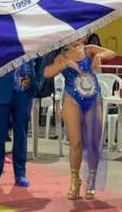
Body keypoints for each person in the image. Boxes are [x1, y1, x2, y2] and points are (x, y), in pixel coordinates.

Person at [43, 38, 115, 199]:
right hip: (72, 98)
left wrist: (99, 56)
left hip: (93, 97)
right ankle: (75, 180)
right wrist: (62, 65)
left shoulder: (88, 49)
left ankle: (92, 178)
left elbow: (112, 53)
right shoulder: (61, 54)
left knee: (93, 141)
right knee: (75, 142)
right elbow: (46, 73)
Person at [0, 59, 43, 189]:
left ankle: (20, 173)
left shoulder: (29, 39)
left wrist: (37, 83)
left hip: (24, 93)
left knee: (21, 135)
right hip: (1, 91)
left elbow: (40, 59)